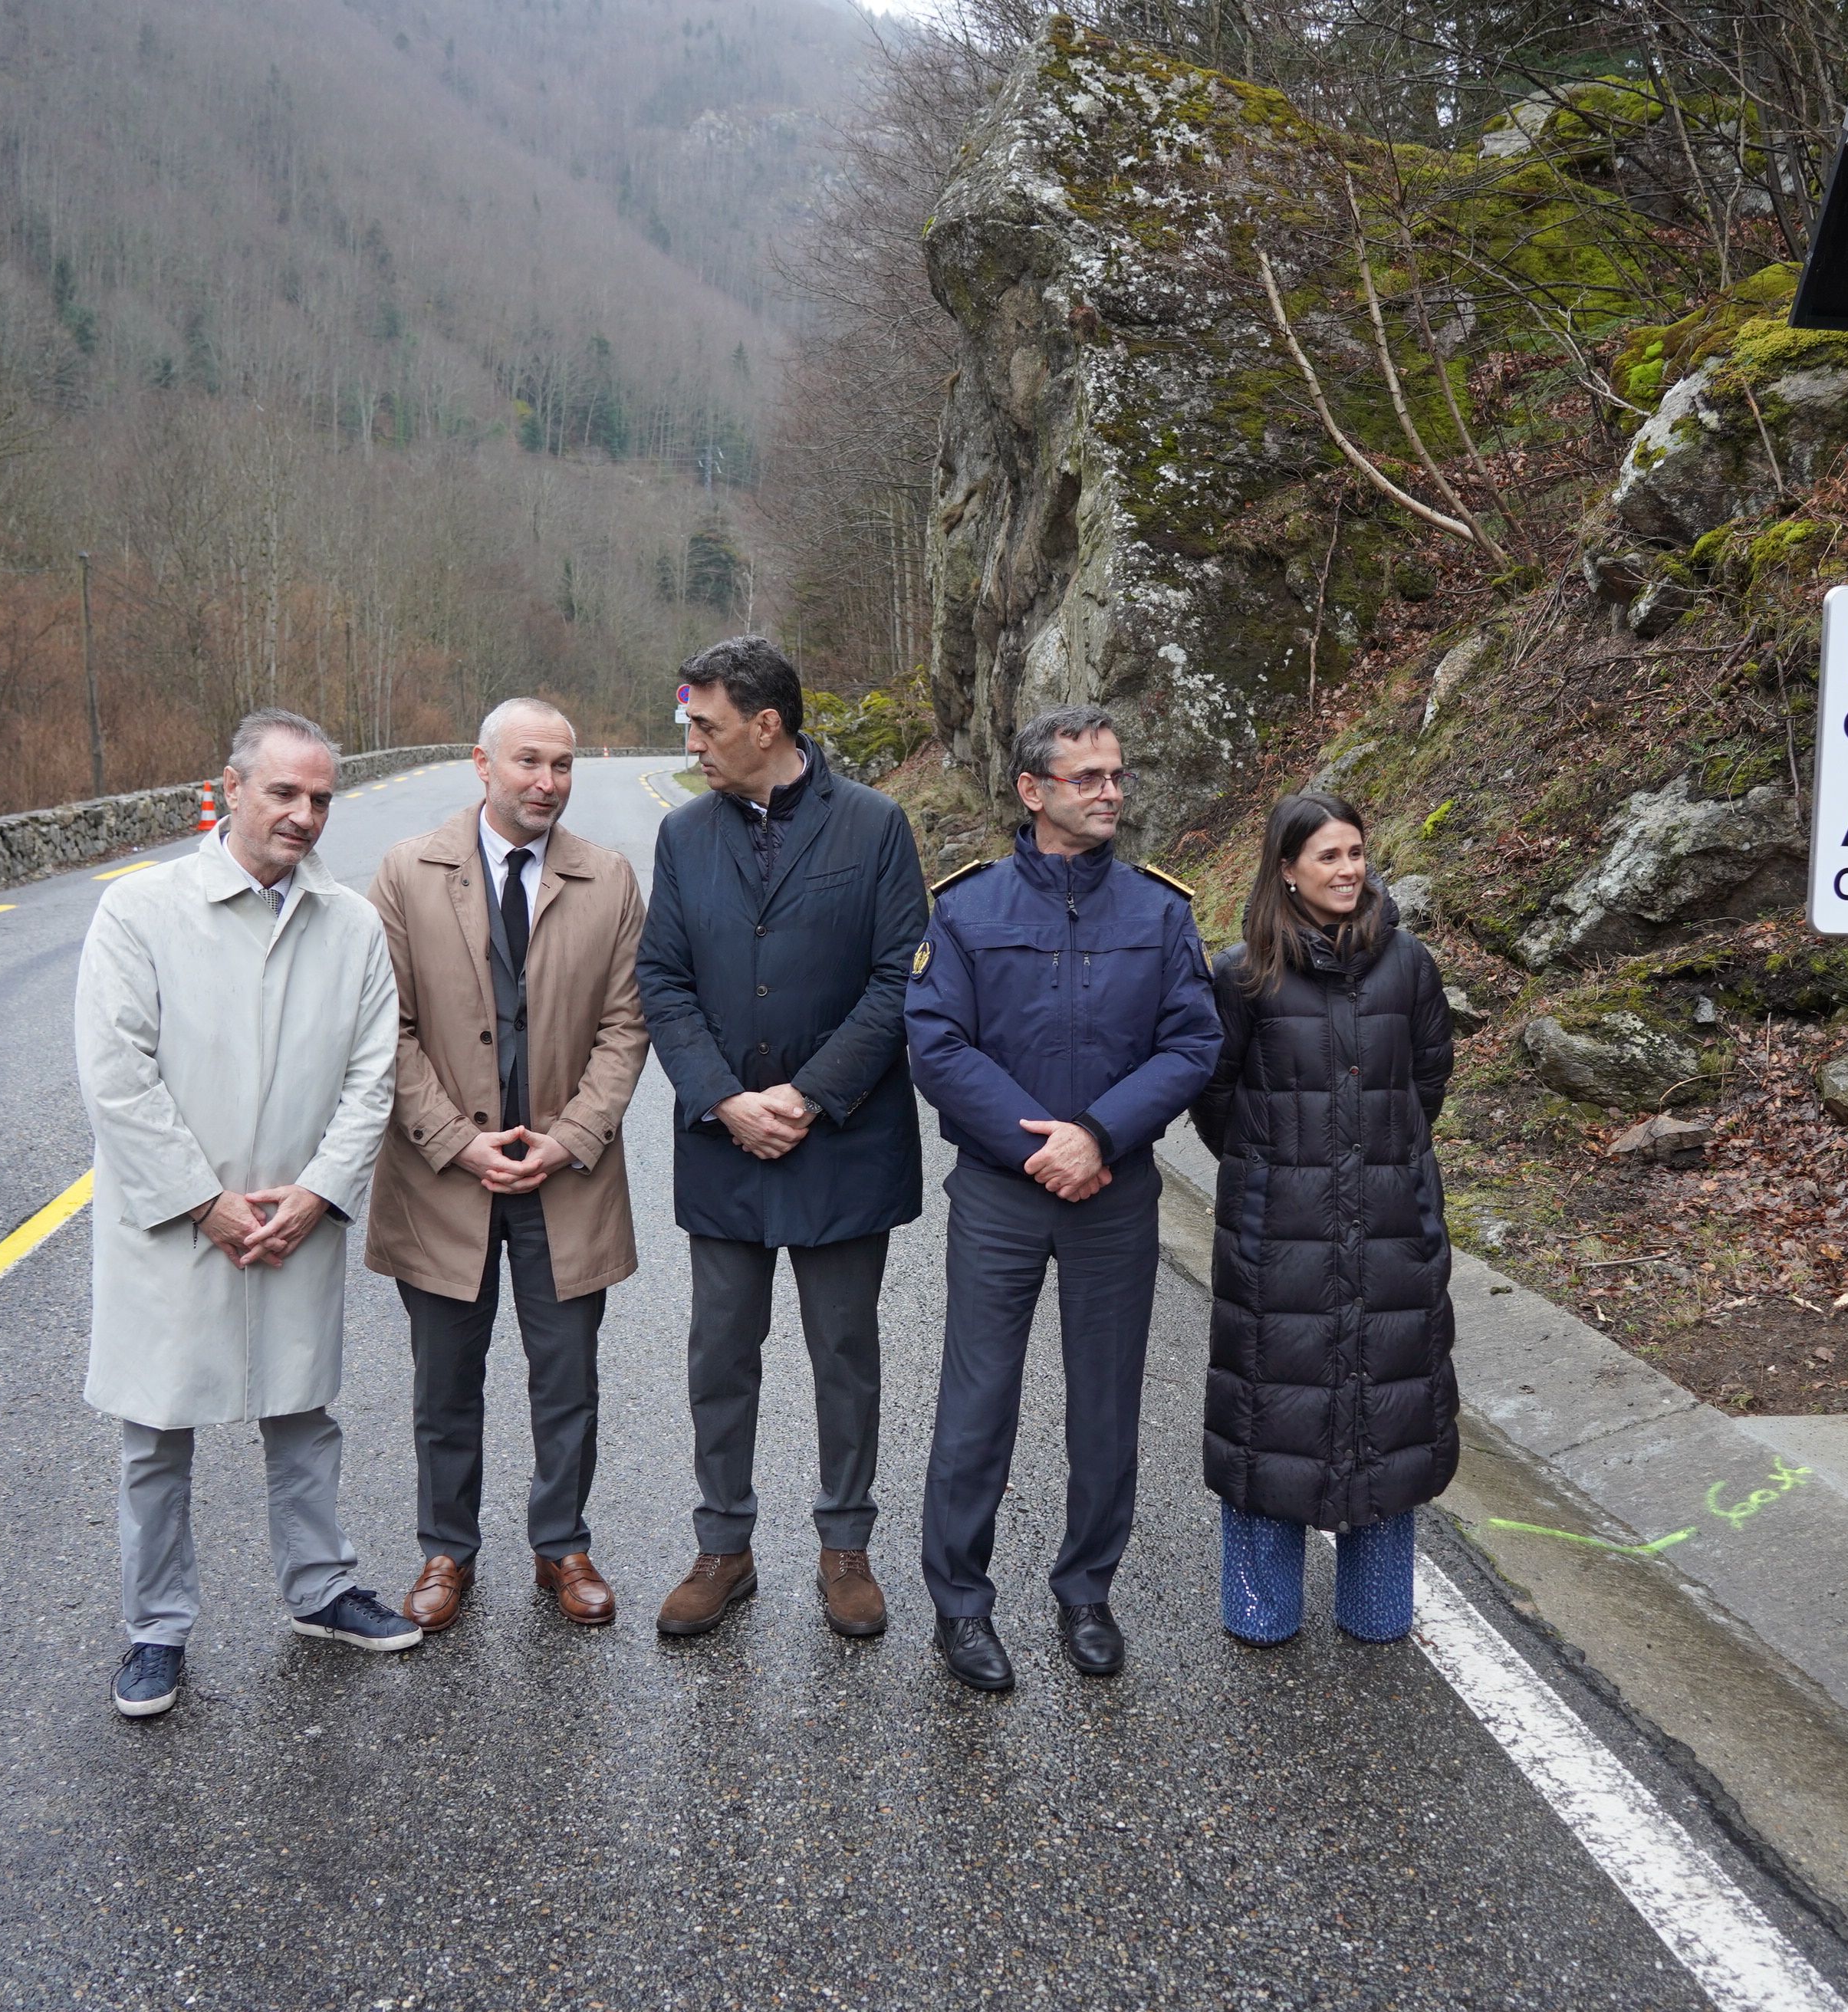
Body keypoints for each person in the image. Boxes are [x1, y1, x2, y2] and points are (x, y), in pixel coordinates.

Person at [74, 708, 415, 1720]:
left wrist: (316, 1194)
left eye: (320, 798)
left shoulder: (349, 924)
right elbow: (116, 1077)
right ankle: (155, 1629)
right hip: (173, 1223)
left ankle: (319, 1590)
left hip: (295, 1213)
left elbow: (372, 1079)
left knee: (303, 1413)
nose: (305, 815)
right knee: (156, 1431)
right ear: (230, 789)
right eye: (285, 793)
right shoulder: (140, 911)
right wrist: (204, 1202)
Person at [906, 703, 1221, 1691]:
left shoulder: (1161, 911)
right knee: (977, 1405)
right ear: (1032, 790)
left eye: (1116, 774)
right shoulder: (966, 908)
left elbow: (1193, 1042)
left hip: (1114, 1192)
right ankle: (961, 1607)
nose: (1111, 791)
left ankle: (1087, 1590)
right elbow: (936, 1042)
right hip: (1002, 1194)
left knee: (1106, 1406)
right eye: (1088, 777)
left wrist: (1100, 1136)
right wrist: (1039, 1145)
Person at [635, 636, 927, 1640]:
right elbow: (662, 980)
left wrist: (804, 1095)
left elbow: (899, 981)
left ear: (768, 726)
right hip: (724, 1142)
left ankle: (845, 1548)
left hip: (844, 1137)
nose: (692, 741)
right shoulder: (683, 838)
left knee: (845, 1350)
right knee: (722, 1353)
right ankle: (725, 1548)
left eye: (705, 725)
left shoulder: (878, 827)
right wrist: (724, 1098)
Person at [363, 699, 651, 1636]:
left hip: (566, 1177)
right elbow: (387, 1029)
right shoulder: (407, 873)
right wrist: (455, 1139)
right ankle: (447, 1548)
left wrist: (572, 1135)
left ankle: (561, 1543)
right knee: (445, 1378)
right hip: (445, 1180)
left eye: (563, 766)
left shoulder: (608, 879)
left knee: (567, 1377)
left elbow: (626, 1024)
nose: (548, 783)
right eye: (529, 762)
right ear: (479, 765)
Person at [1189, 792, 1455, 1648]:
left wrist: (1382, 1164)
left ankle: (1375, 1605)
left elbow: (1427, 1080)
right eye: (1329, 856)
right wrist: (1279, 1171)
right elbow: (1216, 1096)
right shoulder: (1242, 973)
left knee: (1388, 1408)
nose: (1349, 870)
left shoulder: (1407, 964)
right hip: (1279, 1229)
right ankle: (1261, 1607)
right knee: (1274, 1407)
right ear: (1287, 869)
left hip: (1389, 1221)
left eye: (1356, 852)